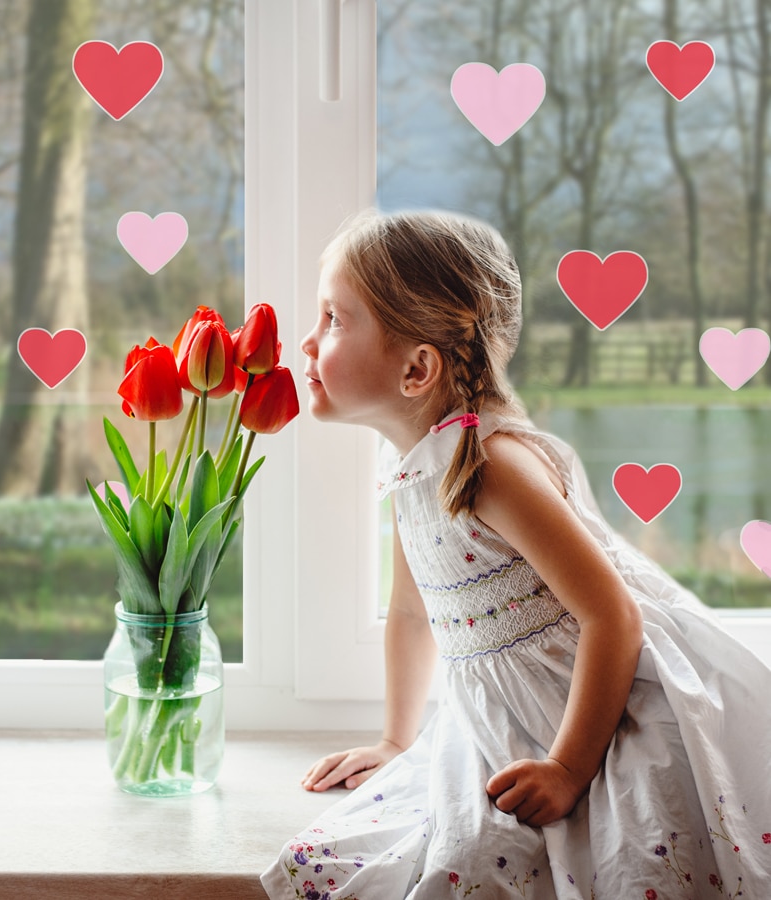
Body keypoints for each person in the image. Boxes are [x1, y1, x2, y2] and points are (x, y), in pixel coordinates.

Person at [261, 210, 771, 899]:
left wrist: (567, 768)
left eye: (333, 320)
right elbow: (412, 615)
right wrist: (394, 740)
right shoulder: (414, 469)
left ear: (417, 368)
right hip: (508, 719)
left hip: (601, 715)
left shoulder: (492, 466)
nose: (307, 340)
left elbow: (611, 617)